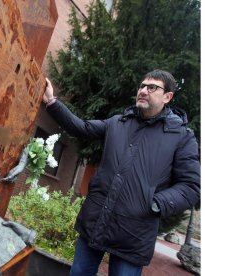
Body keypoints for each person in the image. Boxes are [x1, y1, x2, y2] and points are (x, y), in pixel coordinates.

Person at [43, 69, 200, 276]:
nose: (143, 90)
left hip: (134, 233)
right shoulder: (118, 122)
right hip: (97, 220)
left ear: (168, 97)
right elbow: (82, 128)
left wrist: (155, 204)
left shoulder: (181, 137)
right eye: (142, 86)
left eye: (152, 87)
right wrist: (52, 103)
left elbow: (191, 186)